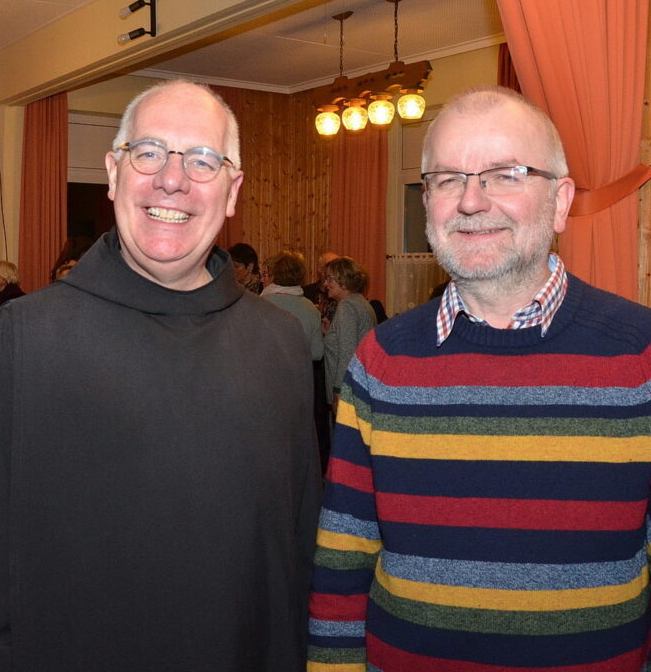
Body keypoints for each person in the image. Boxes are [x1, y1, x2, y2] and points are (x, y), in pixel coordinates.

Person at [0, 79, 321, 672]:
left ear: (232, 191)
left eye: (203, 160)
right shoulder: (24, 338)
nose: (172, 179)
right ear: (114, 173)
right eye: (149, 152)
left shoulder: (279, 341)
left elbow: (297, 546)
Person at [307, 86, 651, 671]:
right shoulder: (381, 360)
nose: (470, 200)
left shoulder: (640, 355)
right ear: (427, 204)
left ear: (561, 201)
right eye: (446, 179)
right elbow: (343, 557)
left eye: (505, 174)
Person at [320, 256, 375, 412]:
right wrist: (331, 332)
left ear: (344, 281)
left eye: (329, 279)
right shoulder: (361, 302)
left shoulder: (347, 307)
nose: (325, 284)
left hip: (348, 392)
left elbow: (347, 354)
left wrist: (339, 391)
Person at [261, 250, 324, 362]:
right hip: (299, 370)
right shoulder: (311, 309)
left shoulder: (258, 304)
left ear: (274, 275)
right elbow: (317, 352)